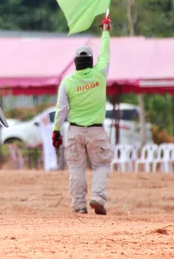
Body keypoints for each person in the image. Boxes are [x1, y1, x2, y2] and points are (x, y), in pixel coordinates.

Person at [52, 15, 113, 215]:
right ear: (91, 61)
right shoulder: (100, 74)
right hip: (96, 131)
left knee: (76, 168)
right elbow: (105, 53)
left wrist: (56, 131)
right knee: (102, 164)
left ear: (76, 62)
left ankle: (79, 205)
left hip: (75, 131)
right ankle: (98, 197)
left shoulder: (67, 82)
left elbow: (61, 110)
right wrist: (105, 31)